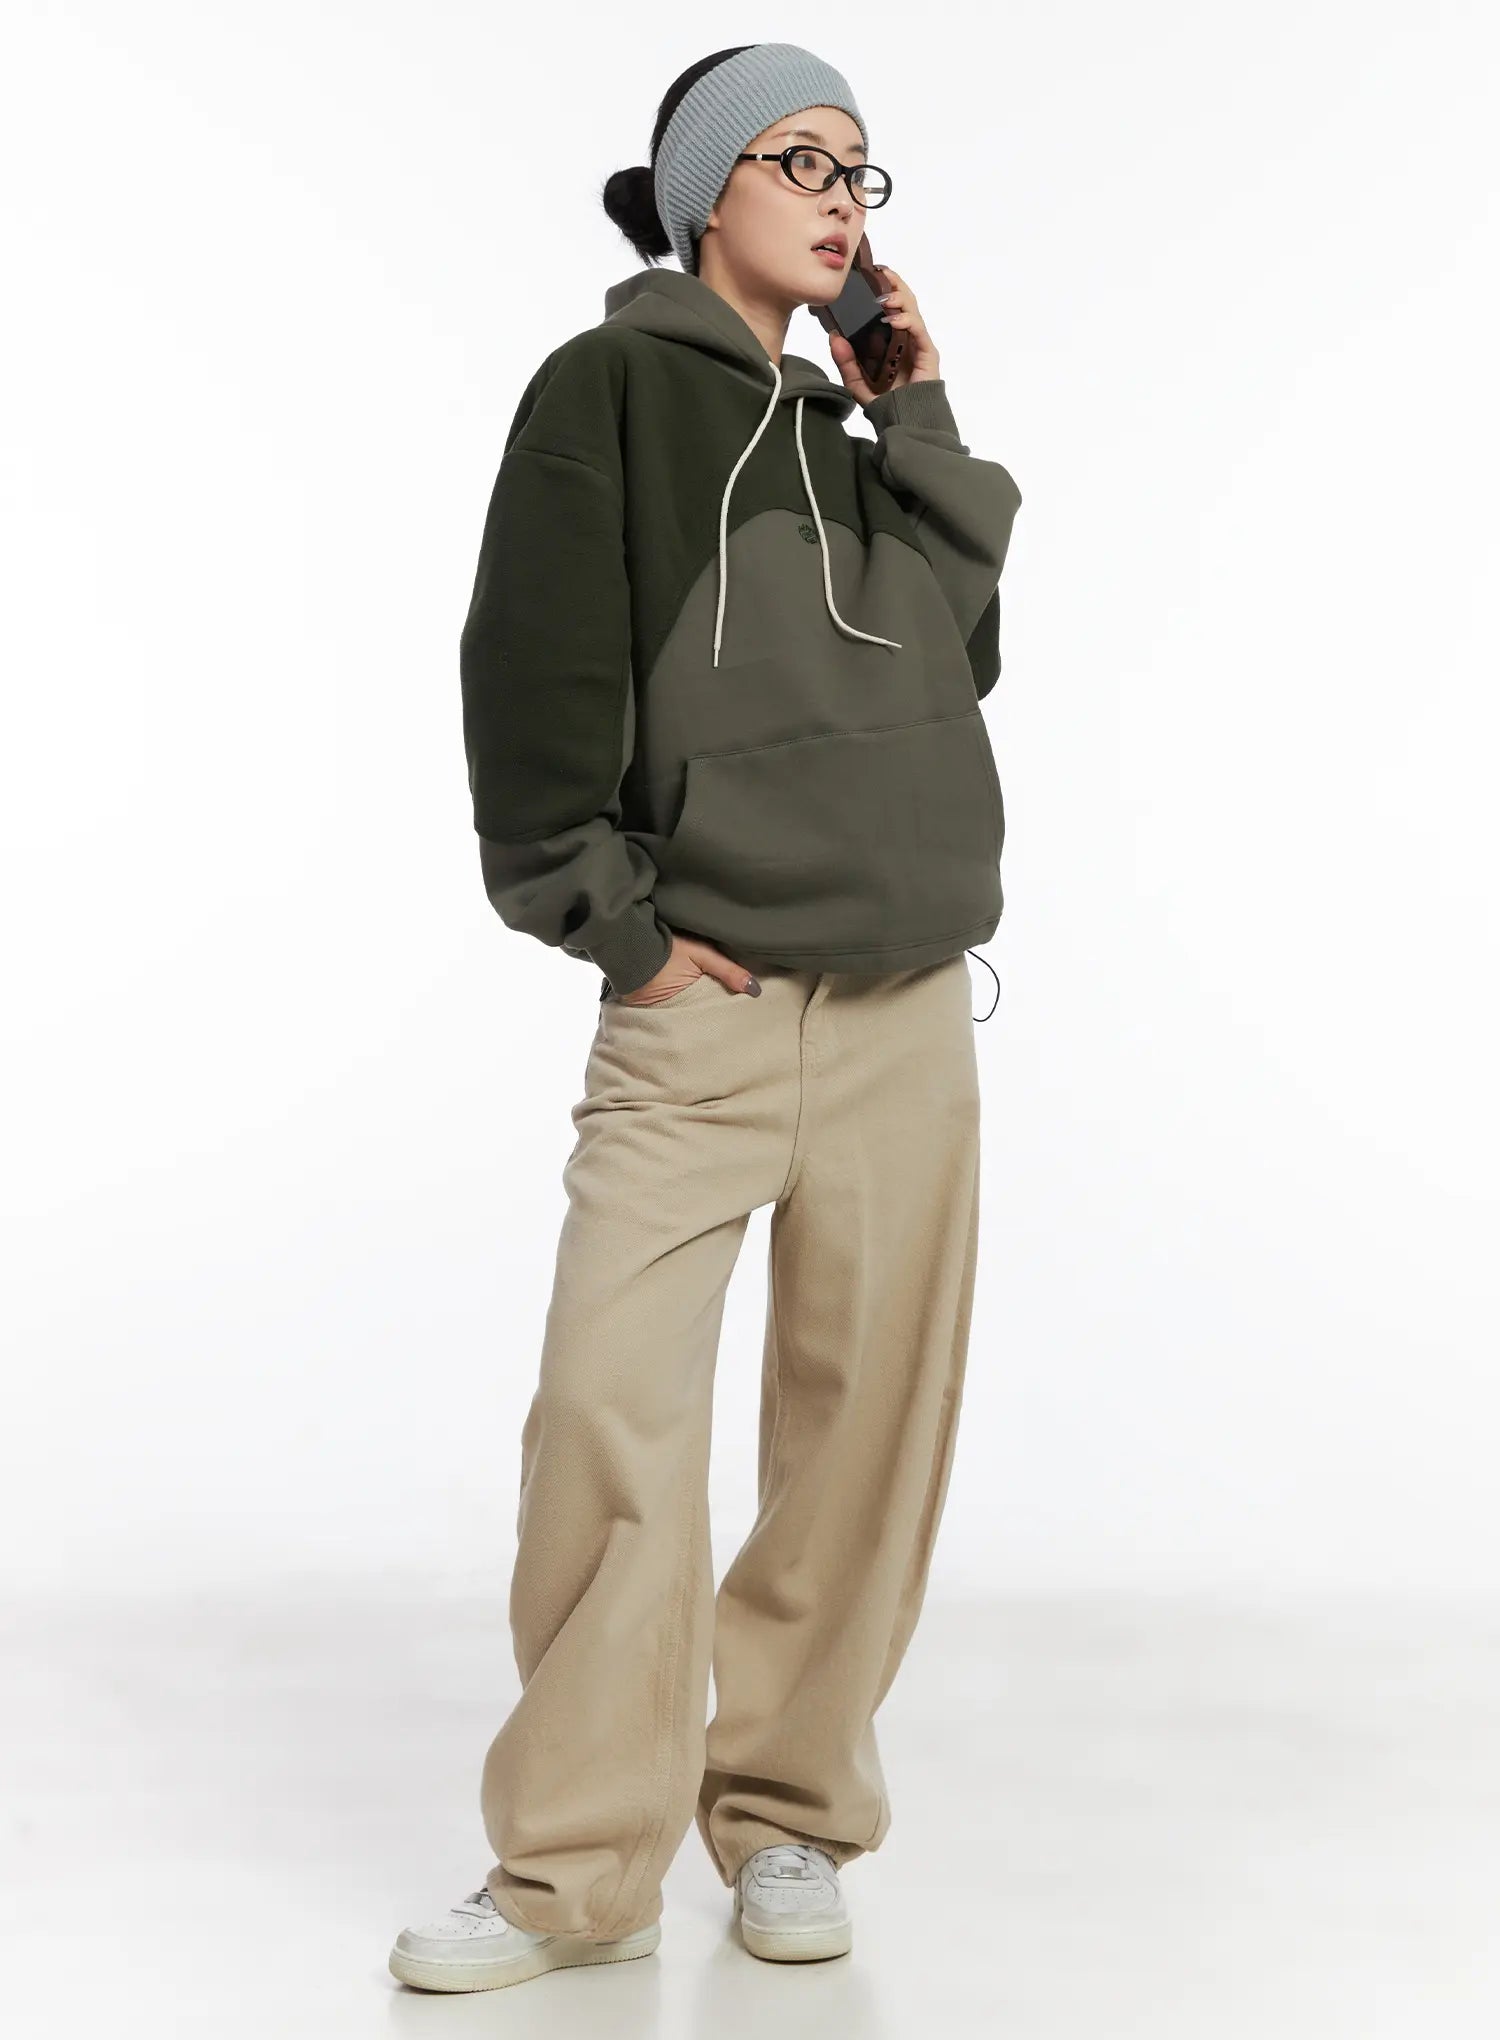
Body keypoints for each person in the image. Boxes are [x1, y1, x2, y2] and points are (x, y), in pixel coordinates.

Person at [388, 40, 1022, 1995]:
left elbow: (965, 652)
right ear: (702, 193)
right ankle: (576, 1870)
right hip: (705, 1012)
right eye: (799, 161)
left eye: (861, 173)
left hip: (908, 1008)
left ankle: (792, 1815)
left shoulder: (850, 435)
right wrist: (618, 930)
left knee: (862, 1437)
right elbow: (528, 669)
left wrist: (911, 406)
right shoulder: (606, 395)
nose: (841, 201)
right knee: (611, 1416)